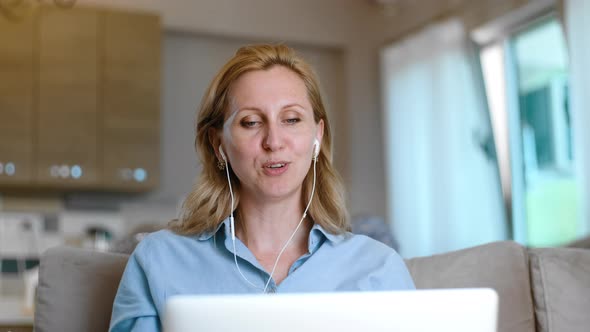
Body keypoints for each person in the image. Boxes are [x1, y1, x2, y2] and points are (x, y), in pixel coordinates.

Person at [109, 44, 415, 332]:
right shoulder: (160, 259)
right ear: (219, 145)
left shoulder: (379, 267)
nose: (274, 141)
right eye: (251, 122)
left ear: (317, 136)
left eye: (292, 119)